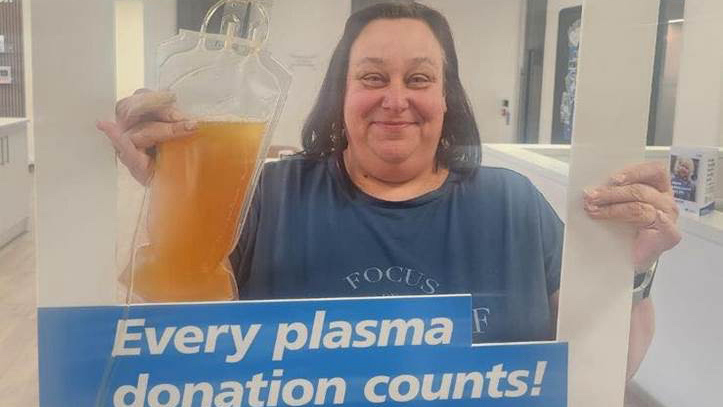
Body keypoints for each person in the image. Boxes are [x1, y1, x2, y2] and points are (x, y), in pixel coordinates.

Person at [97, 2, 681, 379]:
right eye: (372, 77)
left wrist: (627, 273)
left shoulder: (514, 205)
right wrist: (174, 193)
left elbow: (607, 369)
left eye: (420, 79)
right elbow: (175, 353)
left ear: (446, 97)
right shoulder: (263, 197)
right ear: (340, 94)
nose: (395, 99)